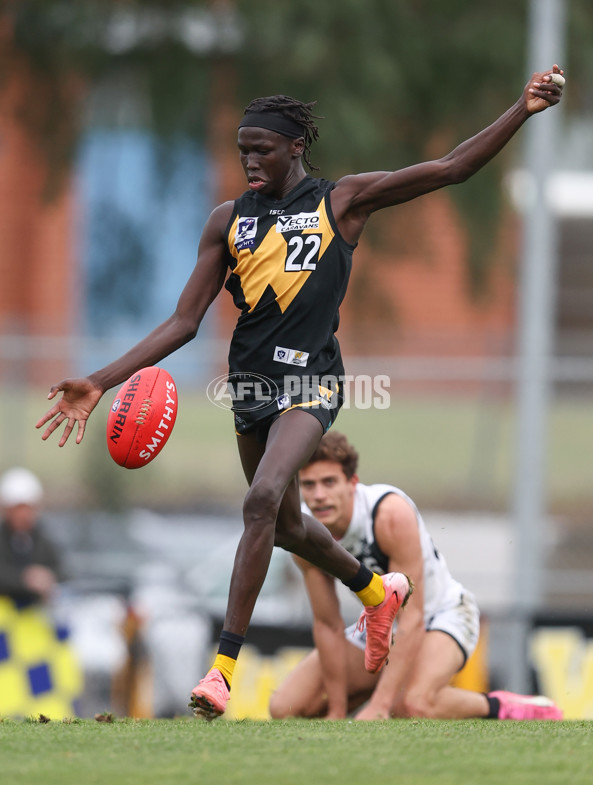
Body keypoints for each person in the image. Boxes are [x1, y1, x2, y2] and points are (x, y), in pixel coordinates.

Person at [36, 65, 564, 720]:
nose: (250, 160)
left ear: (295, 147)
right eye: (241, 151)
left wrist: (522, 108)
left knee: (259, 500)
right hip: (251, 386)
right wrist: (99, 380)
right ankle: (375, 591)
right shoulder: (228, 221)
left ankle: (221, 668)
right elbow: (183, 321)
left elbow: (451, 167)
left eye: (262, 148)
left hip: (313, 381)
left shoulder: (341, 201)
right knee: (285, 525)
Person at [269, 431, 563, 721]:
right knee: (287, 707)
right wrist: (335, 710)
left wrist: (380, 706)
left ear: (352, 483)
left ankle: (506, 707)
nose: (319, 495)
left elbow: (413, 616)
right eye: (309, 485)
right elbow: (327, 625)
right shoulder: (304, 534)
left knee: (414, 705)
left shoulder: (389, 515)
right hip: (381, 629)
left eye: (329, 482)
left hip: (442, 615)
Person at [0, 467, 63, 605]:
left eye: (29, 508)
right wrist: (25, 579)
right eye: (19, 508)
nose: (24, 515)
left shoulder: (42, 540)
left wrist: (48, 577)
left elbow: (62, 570)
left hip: (34, 617)